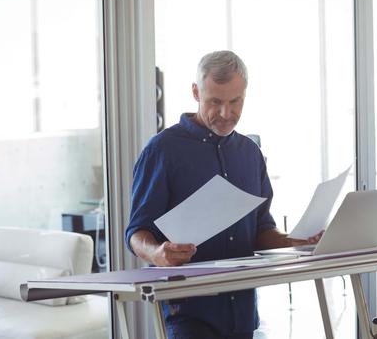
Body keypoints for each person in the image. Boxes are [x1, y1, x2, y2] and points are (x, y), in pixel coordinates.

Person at [125, 50, 322, 339]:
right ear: (196, 92)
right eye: (215, 102)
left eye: (235, 101)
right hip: (189, 315)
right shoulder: (162, 151)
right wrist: (157, 253)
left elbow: (260, 230)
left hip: (242, 312)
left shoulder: (250, 153)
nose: (226, 114)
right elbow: (136, 232)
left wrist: (297, 242)